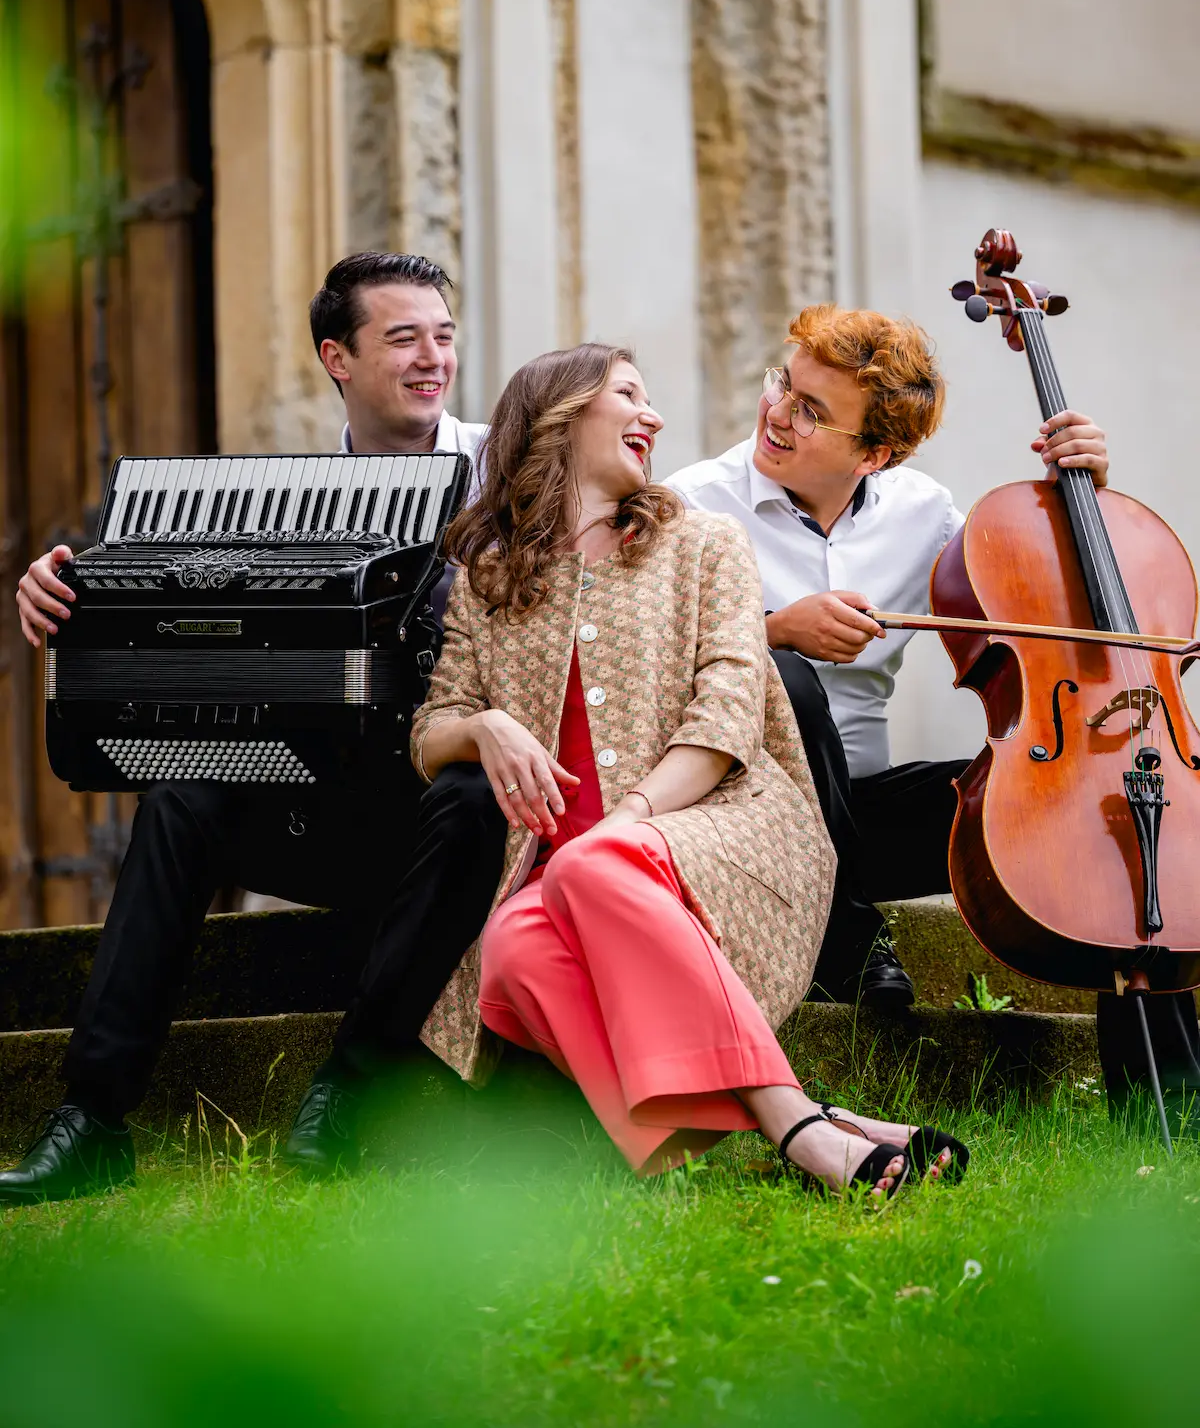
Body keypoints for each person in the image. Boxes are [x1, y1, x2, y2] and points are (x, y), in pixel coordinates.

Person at [401, 343, 966, 1194]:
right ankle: (804, 1131)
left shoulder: (702, 541)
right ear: (561, 415)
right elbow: (429, 728)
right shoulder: (489, 574)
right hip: (568, 868)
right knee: (511, 947)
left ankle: (799, 1131)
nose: (655, 416)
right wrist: (484, 727)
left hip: (715, 827)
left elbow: (728, 713)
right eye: (630, 394)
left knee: (590, 863)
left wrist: (626, 819)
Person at [1, 252, 494, 1204]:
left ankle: (349, 1088)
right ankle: (92, 1116)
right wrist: (65, 589)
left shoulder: (514, 473)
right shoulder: (277, 508)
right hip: (338, 819)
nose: (433, 358)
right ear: (337, 358)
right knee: (184, 788)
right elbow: (169, 613)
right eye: (403, 339)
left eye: (442, 335)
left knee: (473, 791)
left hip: (465, 829)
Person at [666, 304, 1200, 1125]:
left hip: (865, 821)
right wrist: (771, 631)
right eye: (784, 385)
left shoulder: (924, 514)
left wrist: (1083, 495)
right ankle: (848, 942)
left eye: (811, 411)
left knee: (1093, 810)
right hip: (743, 822)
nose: (777, 412)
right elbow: (637, 666)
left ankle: (1168, 1093)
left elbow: (1039, 592)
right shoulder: (689, 505)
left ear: (874, 454)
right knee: (788, 677)